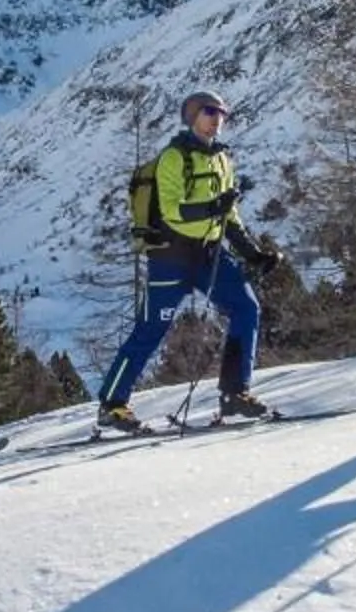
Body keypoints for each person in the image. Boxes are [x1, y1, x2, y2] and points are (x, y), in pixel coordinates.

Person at [95, 90, 286, 430]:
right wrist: (214, 208)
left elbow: (231, 217)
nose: (217, 118)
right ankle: (112, 404)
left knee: (246, 308)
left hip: (209, 254)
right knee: (151, 329)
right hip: (170, 257)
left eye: (222, 113)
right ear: (192, 116)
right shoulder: (174, 157)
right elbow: (172, 213)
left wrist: (253, 254)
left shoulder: (223, 159)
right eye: (210, 111)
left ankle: (234, 394)